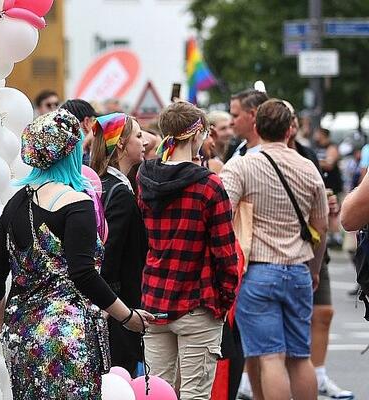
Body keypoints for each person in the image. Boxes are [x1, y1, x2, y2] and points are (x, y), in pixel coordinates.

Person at [0, 109, 154, 399]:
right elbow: (83, 274)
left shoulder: (15, 203)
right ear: (70, 152)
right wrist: (128, 316)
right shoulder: (77, 202)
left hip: (22, 332)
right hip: (68, 334)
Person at [220, 99, 328, 400]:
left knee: (269, 357)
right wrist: (314, 268)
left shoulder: (241, 166)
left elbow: (222, 213)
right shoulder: (307, 167)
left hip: (258, 270)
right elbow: (321, 226)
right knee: (299, 356)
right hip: (298, 269)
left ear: (256, 126)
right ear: (289, 128)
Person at [137, 101, 240, 399]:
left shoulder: (145, 179)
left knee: (156, 393)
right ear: (197, 135)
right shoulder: (209, 185)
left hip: (155, 297)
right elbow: (225, 252)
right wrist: (223, 301)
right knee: (195, 395)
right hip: (198, 300)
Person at [284, 108, 353, 400]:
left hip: (313, 244)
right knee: (282, 331)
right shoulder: (252, 155)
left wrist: (329, 204)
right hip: (281, 251)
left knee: (323, 313)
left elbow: (322, 196)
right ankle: (258, 379)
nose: (294, 126)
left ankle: (320, 375)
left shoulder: (307, 153)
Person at [87, 112, 149, 376]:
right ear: (121, 144)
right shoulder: (119, 192)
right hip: (117, 305)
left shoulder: (99, 183)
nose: (144, 141)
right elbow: (109, 255)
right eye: (138, 135)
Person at [225, 90, 269, 161]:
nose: (231, 122)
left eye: (235, 116)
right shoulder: (241, 149)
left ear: (252, 115)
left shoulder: (267, 155)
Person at [60, 99, 99, 163]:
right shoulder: (87, 160)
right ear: (86, 122)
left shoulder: (59, 154)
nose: (97, 125)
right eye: (94, 120)